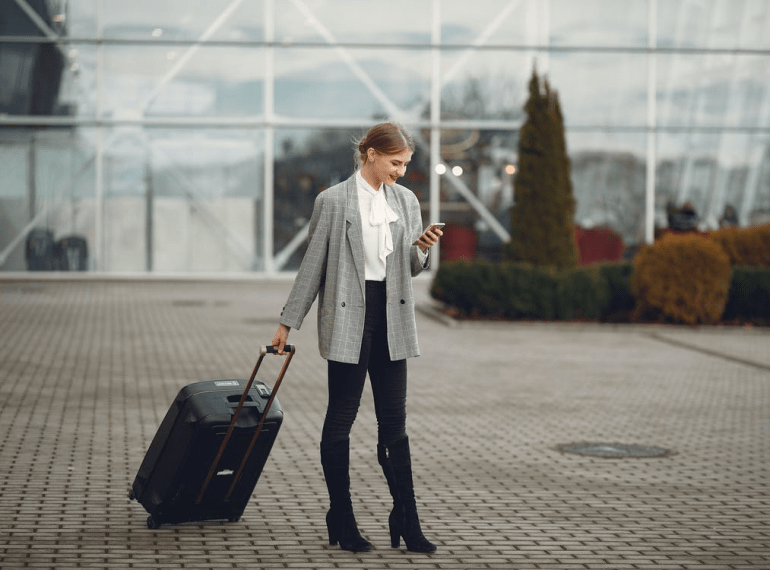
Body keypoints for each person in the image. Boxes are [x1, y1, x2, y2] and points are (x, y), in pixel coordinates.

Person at [271, 122, 442, 554]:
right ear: (370, 154)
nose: (402, 172)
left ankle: (406, 517)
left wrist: (421, 247)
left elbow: (411, 267)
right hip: (349, 314)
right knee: (341, 418)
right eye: (395, 162)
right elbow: (312, 267)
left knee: (394, 424)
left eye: (405, 164)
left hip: (393, 315)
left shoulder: (406, 201)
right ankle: (341, 516)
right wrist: (287, 323)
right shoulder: (332, 201)